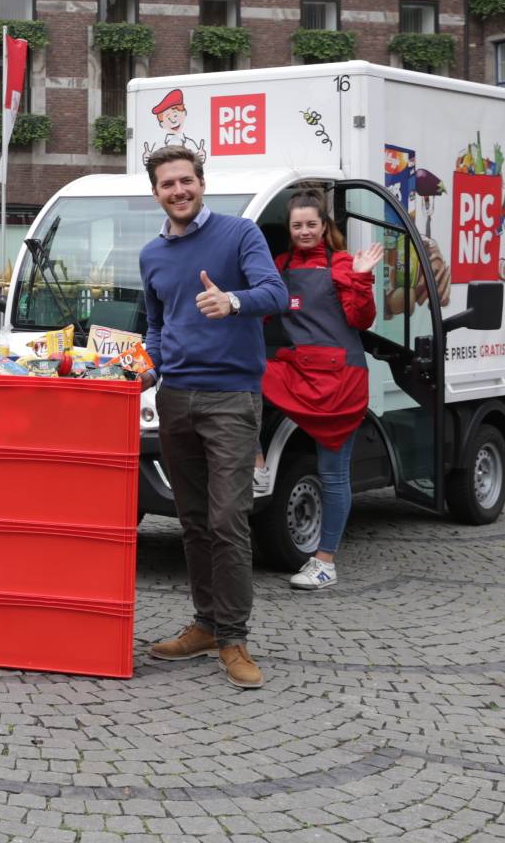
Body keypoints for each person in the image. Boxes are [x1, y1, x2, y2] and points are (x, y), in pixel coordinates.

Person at [138, 146, 287, 689]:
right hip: (175, 397)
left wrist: (234, 302)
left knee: (228, 519)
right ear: (155, 192)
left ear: (202, 183)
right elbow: (157, 325)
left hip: (231, 397)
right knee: (194, 521)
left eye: (186, 181)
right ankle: (204, 625)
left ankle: (233, 637)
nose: (178, 190)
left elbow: (276, 292)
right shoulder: (152, 254)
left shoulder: (239, 234)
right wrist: (146, 370)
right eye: (167, 184)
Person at [263, 192, 381, 591]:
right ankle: (257, 459)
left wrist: (362, 279)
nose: (304, 232)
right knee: (242, 374)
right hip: (299, 371)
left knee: (333, 474)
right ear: (290, 230)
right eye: (297, 226)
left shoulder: (344, 265)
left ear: (324, 225)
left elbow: (361, 320)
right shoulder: (280, 267)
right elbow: (262, 310)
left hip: (340, 381)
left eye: (311, 224)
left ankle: (325, 561)